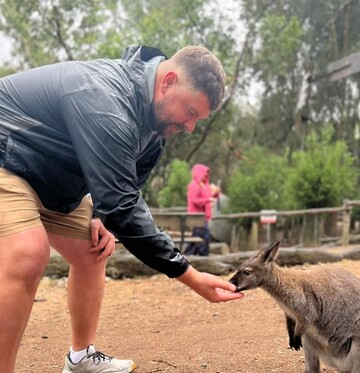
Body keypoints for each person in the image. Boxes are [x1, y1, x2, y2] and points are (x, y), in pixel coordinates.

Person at [0, 45, 244, 373]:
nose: (190, 127)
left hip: (48, 177)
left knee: (94, 247)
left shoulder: (154, 126)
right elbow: (121, 205)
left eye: (197, 120)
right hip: (7, 153)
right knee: (28, 250)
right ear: (168, 81)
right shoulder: (104, 99)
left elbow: (126, 187)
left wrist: (102, 217)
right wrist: (189, 274)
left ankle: (81, 357)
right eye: (189, 112)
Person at [184, 164, 220, 256]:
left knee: (199, 238)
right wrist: (208, 200)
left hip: (203, 217)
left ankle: (190, 256)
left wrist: (215, 193)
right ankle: (202, 257)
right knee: (203, 237)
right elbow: (194, 200)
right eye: (204, 173)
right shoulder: (194, 186)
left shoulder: (204, 185)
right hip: (196, 217)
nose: (206, 175)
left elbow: (209, 196)